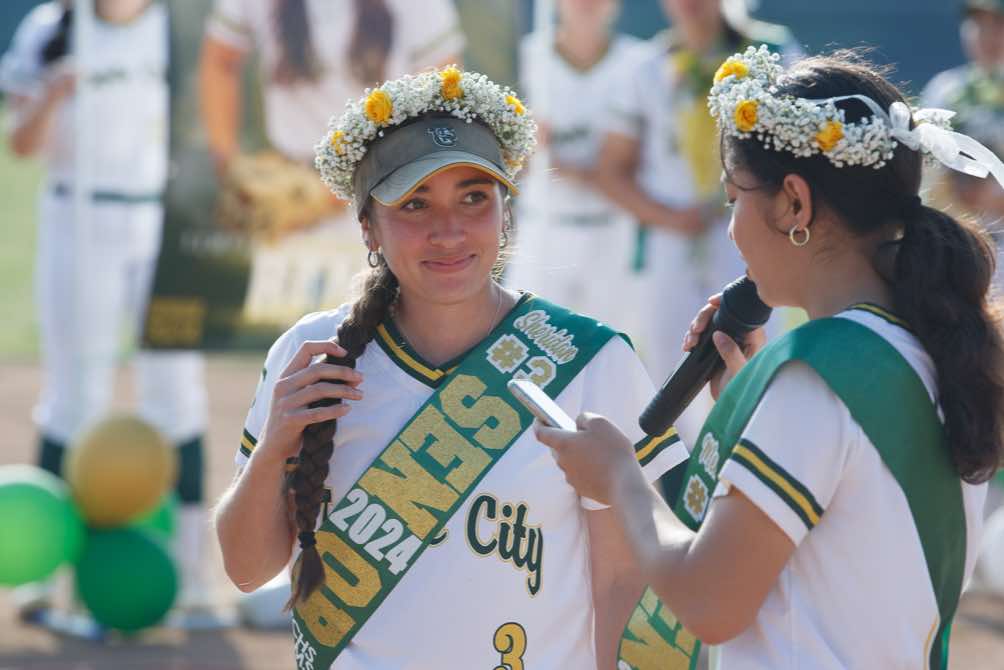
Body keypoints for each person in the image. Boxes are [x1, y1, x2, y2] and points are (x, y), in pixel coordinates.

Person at [538, 46, 1004, 668]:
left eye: (734, 197)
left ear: (793, 205)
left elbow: (708, 602)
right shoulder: (933, 349)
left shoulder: (816, 378)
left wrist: (620, 477)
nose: (731, 227)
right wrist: (748, 405)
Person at [213, 67, 690, 669]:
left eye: (474, 198)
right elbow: (247, 570)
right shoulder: (311, 353)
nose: (449, 231)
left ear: (506, 212)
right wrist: (273, 448)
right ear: (368, 227)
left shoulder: (588, 360)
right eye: (415, 204)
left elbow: (623, 586)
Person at [0, 0, 211, 614]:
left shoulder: (179, 28)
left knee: (176, 391)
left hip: (165, 224)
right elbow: (20, 144)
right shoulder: (54, 26)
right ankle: (48, 570)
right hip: (78, 219)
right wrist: (53, 92)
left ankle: (191, 570)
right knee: (75, 390)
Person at [593, 0, 800, 445]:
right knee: (672, 357)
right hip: (669, 242)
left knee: (757, 350)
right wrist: (670, 217)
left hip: (753, 235)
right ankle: (684, 471)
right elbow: (611, 169)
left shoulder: (772, 50)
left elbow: (800, 148)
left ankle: (756, 454)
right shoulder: (646, 66)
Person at [199, 0, 465, 319]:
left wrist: (341, 188)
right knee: (284, 338)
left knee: (374, 335)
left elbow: (438, 100)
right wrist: (229, 166)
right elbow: (220, 59)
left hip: (381, 199)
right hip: (288, 204)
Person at [504, 0, 649, 334]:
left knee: (609, 345)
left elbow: (638, 163)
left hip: (612, 233)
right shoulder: (528, 58)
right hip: (543, 231)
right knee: (530, 341)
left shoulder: (638, 63)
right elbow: (505, 160)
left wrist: (562, 163)